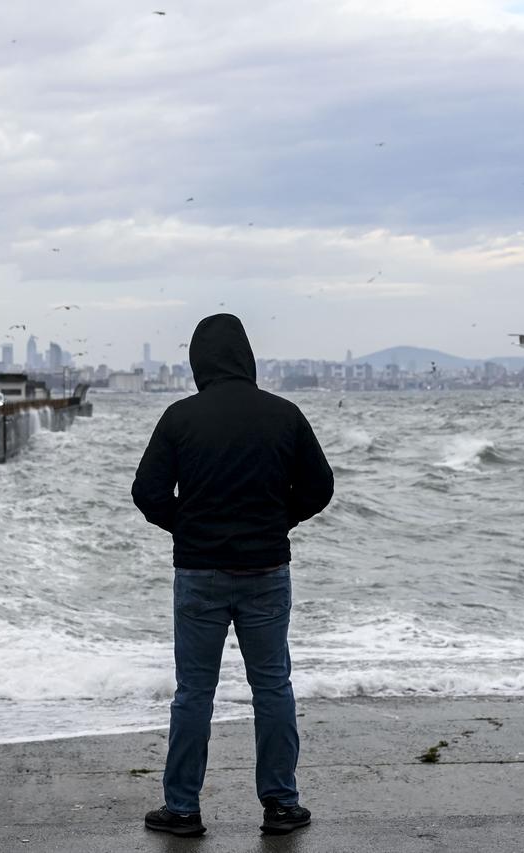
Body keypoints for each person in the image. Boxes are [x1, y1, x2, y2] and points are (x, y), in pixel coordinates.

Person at [131, 314, 334, 837]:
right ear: (247, 357)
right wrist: (275, 520)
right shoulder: (284, 415)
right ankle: (282, 806)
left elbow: (147, 493)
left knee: (193, 692)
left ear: (199, 360)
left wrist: (189, 526)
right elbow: (319, 487)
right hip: (267, 570)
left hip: (199, 573)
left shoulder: (180, 418)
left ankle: (182, 809)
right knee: (272, 687)